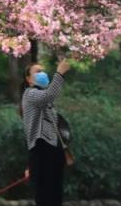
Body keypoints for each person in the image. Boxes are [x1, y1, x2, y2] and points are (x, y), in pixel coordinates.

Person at [20, 58, 72, 206]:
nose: (42, 73)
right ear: (29, 79)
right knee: (45, 196)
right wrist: (60, 73)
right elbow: (50, 94)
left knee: (55, 196)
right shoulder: (30, 94)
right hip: (42, 150)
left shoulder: (45, 102)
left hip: (53, 151)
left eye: (43, 71)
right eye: (38, 71)